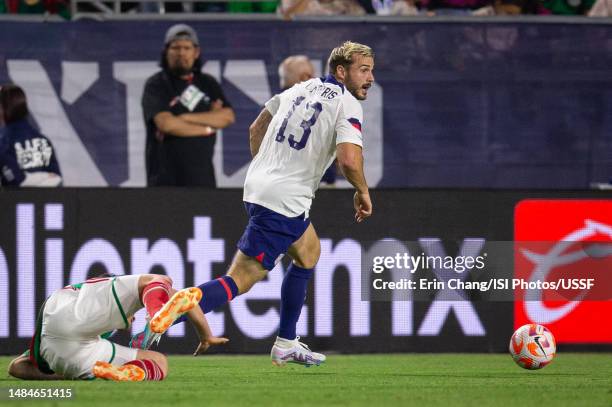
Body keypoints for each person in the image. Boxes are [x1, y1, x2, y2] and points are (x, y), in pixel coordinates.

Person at [135, 41, 374, 367]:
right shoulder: (347, 104)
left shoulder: (300, 88)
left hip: (260, 187)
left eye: (371, 70)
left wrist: (268, 170)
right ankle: (163, 317)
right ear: (341, 71)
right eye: (363, 70)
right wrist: (362, 191)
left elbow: (256, 127)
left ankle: (286, 342)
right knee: (241, 279)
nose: (370, 77)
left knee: (308, 252)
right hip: (284, 200)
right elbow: (349, 159)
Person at [7, 274, 227, 381]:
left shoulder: (100, 327)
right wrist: (205, 335)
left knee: (159, 362)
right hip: (68, 308)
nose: (131, 321)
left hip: (65, 354)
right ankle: (157, 312)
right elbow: (179, 295)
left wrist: (63, 373)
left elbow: (15, 367)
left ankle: (122, 373)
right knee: (158, 280)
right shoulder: (99, 290)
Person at [142, 24, 235, 187]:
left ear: (196, 52)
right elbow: (166, 124)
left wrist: (184, 117)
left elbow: (227, 116)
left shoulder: (207, 83)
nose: (181, 53)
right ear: (166, 51)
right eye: (175, 47)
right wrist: (207, 127)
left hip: (202, 179)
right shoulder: (156, 84)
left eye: (186, 47)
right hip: (164, 179)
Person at [0, 84, 62, 187]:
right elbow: (57, 180)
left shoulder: (3, 143)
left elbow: (16, 181)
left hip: (12, 202)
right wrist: (44, 177)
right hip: (45, 200)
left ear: (4, 108)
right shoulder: (43, 141)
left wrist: (26, 178)